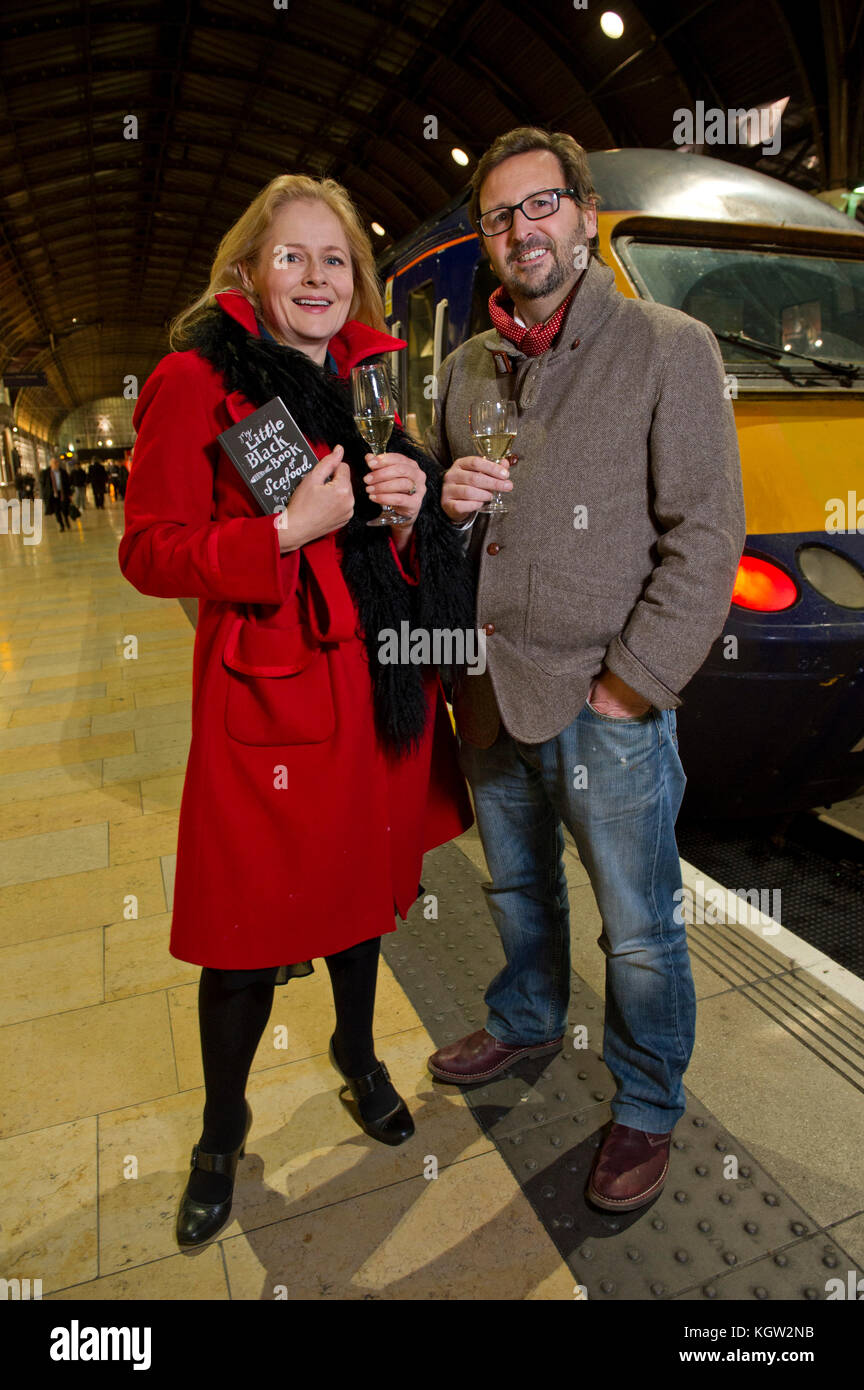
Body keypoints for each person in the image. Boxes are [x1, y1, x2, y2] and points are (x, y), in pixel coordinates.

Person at [118, 173, 475, 1247]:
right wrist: (281, 533)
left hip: (376, 689)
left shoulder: (375, 385)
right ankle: (222, 1130)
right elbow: (147, 549)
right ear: (248, 274)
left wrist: (412, 511)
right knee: (245, 931)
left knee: (364, 895)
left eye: (334, 261)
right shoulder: (195, 382)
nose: (315, 278)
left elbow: (388, 542)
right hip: (267, 700)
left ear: (354, 283)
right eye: (292, 257)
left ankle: (358, 1053)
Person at [425, 128, 746, 1213]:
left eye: (542, 204)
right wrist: (441, 509)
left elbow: (704, 537)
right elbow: (451, 531)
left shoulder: (668, 345)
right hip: (488, 695)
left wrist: (631, 685)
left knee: (642, 927)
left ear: (586, 214)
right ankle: (524, 1018)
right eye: (501, 215)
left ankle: (647, 1099)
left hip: (605, 706)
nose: (524, 229)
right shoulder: (467, 365)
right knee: (517, 888)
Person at [40, 456, 72, 530]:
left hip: (63, 494)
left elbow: (68, 484)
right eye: (53, 463)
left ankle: (66, 520)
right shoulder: (46, 473)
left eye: (56, 462)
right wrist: (44, 494)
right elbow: (43, 484)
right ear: (50, 464)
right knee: (57, 511)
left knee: (64, 509)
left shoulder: (63, 472)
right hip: (53, 495)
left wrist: (70, 494)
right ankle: (61, 525)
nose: (55, 464)